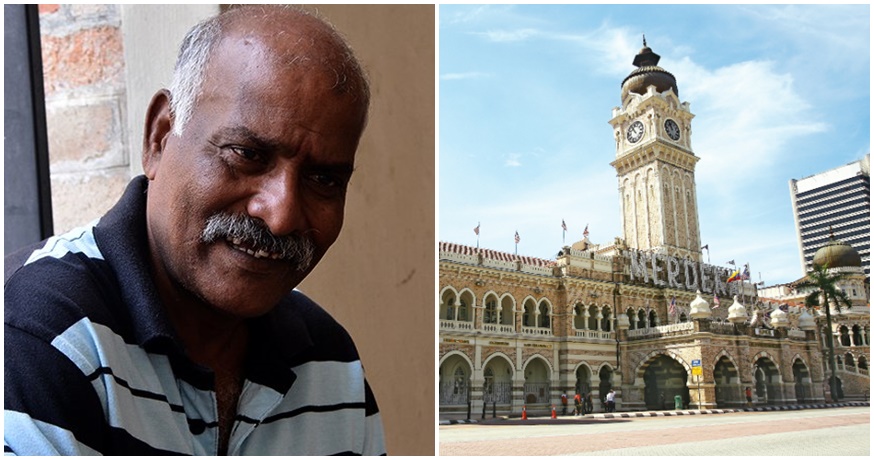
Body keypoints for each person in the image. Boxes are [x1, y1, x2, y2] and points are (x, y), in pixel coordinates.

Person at [4, 5, 385, 456]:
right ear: (160, 138)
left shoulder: (330, 361)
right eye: (246, 154)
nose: (281, 215)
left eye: (323, 180)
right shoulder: (42, 337)